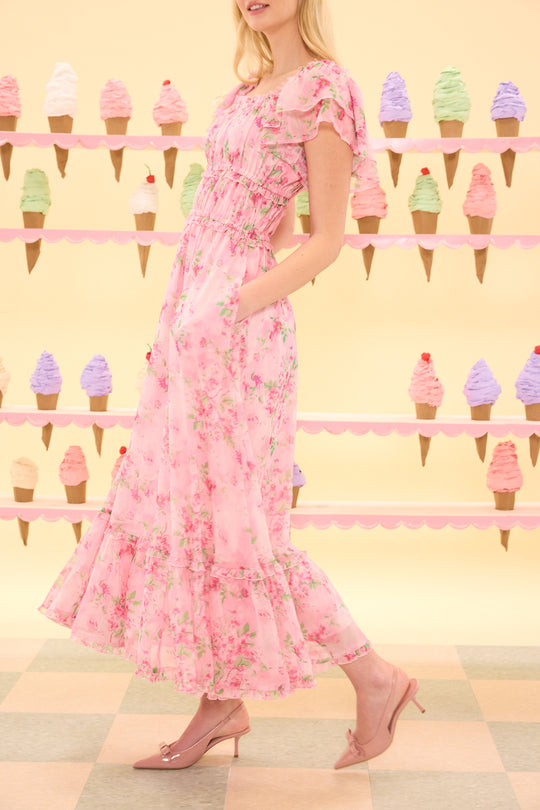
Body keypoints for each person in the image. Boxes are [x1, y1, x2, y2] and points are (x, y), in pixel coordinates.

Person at [39, 0, 424, 771]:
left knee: (246, 527)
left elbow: (327, 239)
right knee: (202, 520)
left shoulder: (324, 90)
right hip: (194, 313)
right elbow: (266, 220)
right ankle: (221, 702)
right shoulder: (246, 93)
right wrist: (197, 302)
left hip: (238, 329)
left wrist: (231, 304)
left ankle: (375, 677)